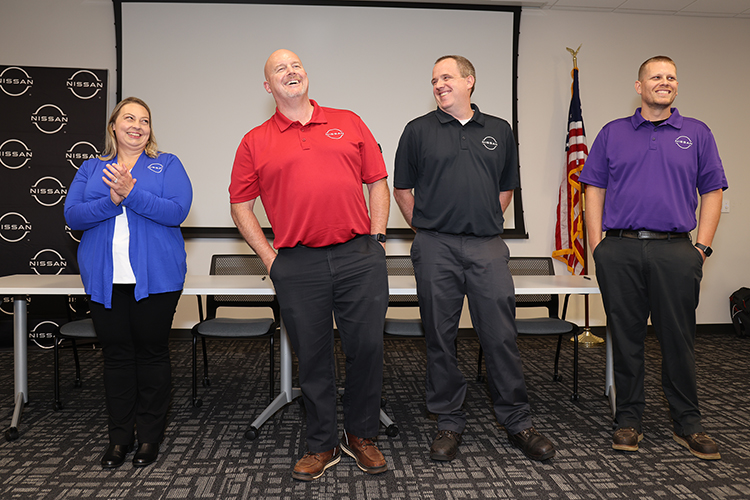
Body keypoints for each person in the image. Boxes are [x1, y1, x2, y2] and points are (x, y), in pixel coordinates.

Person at [229, 49, 390, 481]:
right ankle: (322, 444)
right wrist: (269, 258)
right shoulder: (255, 140)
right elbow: (239, 204)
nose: (291, 71)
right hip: (297, 263)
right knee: (314, 358)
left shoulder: (349, 121)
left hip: (359, 256)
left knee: (367, 349)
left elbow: (377, 180)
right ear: (268, 87)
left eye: (296, 65)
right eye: (279, 68)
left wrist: (377, 239)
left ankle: (362, 436)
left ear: (306, 75)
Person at [393, 55, 555, 462]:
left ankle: (518, 421)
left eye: (447, 77)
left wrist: (481, 221)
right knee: (439, 337)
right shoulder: (417, 131)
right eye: (434, 80)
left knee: (500, 335)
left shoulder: (499, 130)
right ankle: (448, 420)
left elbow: (505, 189)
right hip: (435, 246)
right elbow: (403, 190)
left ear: (470, 81)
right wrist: (428, 230)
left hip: (486, 245)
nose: (439, 84)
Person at [580, 56, 727, 460]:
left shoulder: (697, 133)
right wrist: (598, 246)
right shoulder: (613, 133)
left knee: (678, 341)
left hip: (676, 251)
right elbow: (593, 188)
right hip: (620, 249)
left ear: (676, 86)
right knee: (626, 338)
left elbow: (712, 191)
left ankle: (689, 424)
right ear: (638, 86)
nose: (664, 82)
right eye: (655, 77)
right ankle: (628, 420)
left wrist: (702, 248)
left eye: (671, 77)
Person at [64, 97, 193, 469]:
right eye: (129, 118)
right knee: (117, 359)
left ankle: (149, 438)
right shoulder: (92, 168)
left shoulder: (167, 164)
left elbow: (176, 211)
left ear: (150, 130)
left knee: (152, 355)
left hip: (157, 280)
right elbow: (73, 215)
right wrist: (112, 198)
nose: (137, 125)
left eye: (145, 120)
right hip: (105, 281)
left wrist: (131, 193)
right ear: (113, 126)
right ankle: (119, 439)